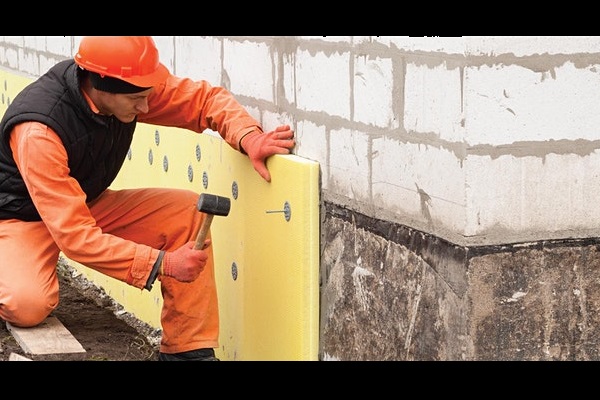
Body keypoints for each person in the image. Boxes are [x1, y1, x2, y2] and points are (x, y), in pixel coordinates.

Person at [0, 36, 295, 361]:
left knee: (185, 213)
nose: (146, 107)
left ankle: (186, 351)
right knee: (26, 305)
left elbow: (203, 100)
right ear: (100, 86)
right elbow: (76, 238)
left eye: (147, 96)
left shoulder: (130, 88)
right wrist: (164, 264)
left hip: (81, 203)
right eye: (138, 100)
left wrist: (248, 137)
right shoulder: (40, 132)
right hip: (20, 216)